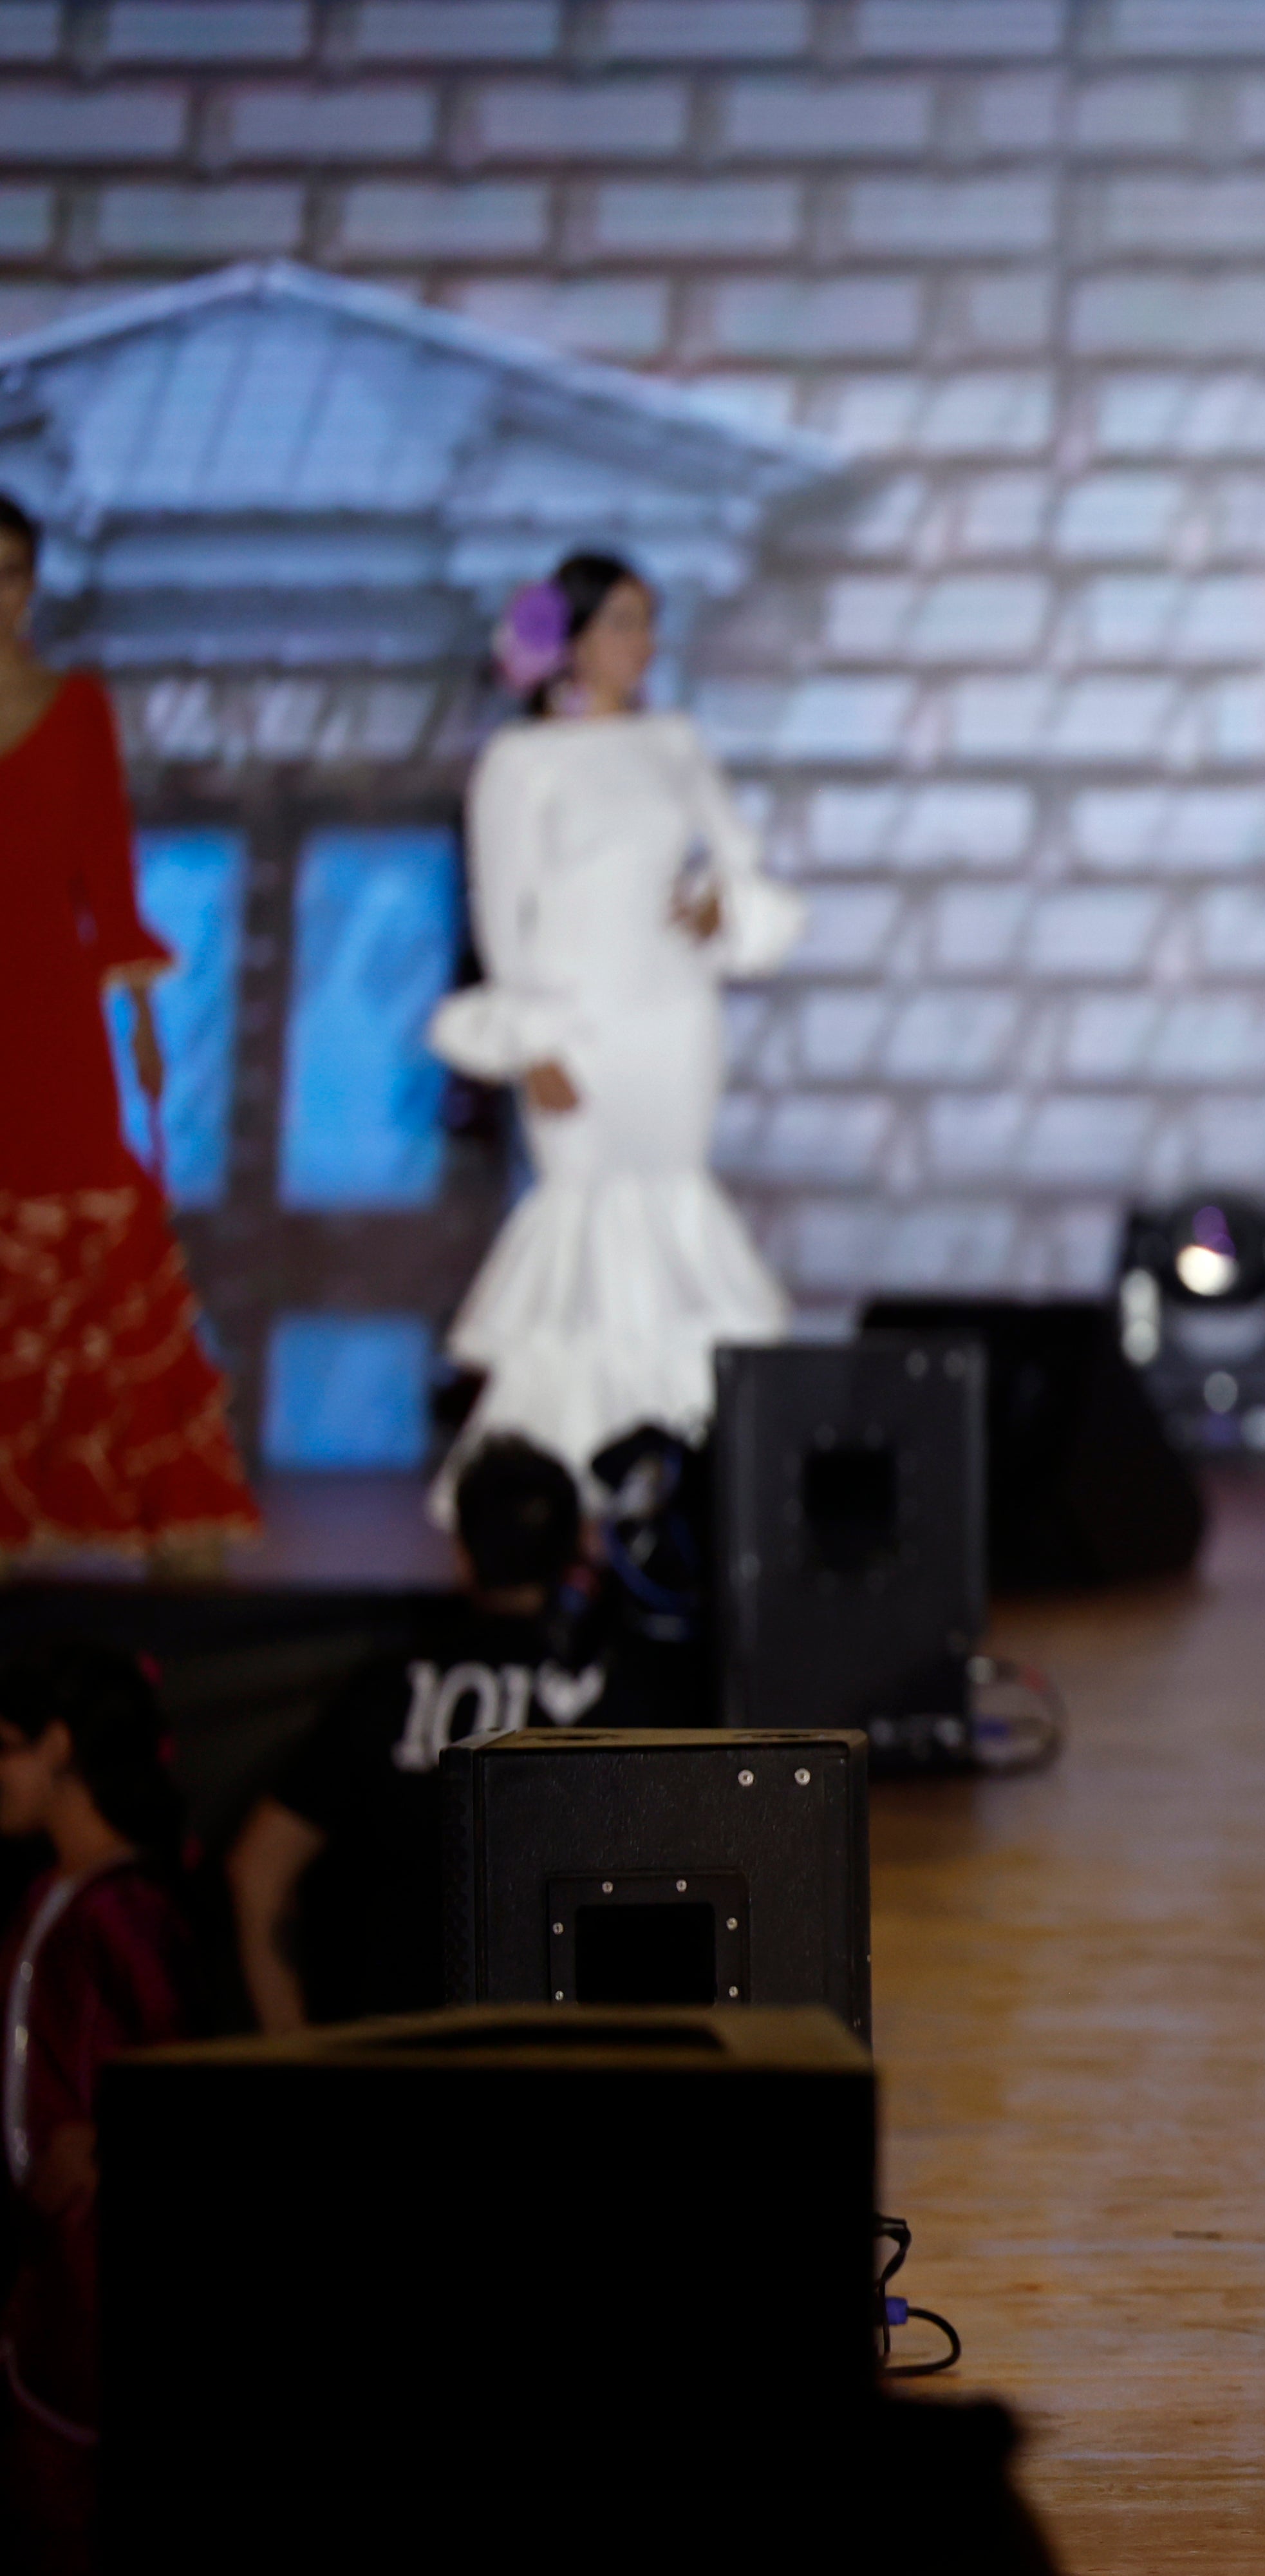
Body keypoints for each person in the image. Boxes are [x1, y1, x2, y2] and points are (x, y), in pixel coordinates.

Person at [426, 552, 805, 1507]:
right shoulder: (518, 762)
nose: (643, 644)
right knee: (585, 1227)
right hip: (577, 1024)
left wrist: (725, 909)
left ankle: (689, 1487)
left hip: (670, 1020)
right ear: (573, 640)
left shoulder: (675, 742)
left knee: (674, 1212)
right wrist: (530, 1043)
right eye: (624, 622)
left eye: (648, 622)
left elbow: (743, 867)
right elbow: (503, 915)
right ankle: (557, 1500)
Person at [0, 490, 259, 1574]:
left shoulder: (78, 705)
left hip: (55, 1014)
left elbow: (106, 877)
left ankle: (146, 1523)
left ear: (35, 583)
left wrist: (144, 1022)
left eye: (11, 572)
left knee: (92, 1232)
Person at [230, 1436, 604, 2031]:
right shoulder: (613, 1692)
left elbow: (258, 1870)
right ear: (579, 1550)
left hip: (400, 2067)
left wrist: (296, 2063)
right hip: (571, 2067)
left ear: (461, 1553)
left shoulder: (393, 1686)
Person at [0, 1641, 196, 2572]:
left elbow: (175, 2056)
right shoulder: (50, 1894)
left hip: (94, 2278)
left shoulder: (126, 1910)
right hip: (44, 2275)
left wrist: (104, 2137)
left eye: (8, 1747)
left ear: (63, 1748)